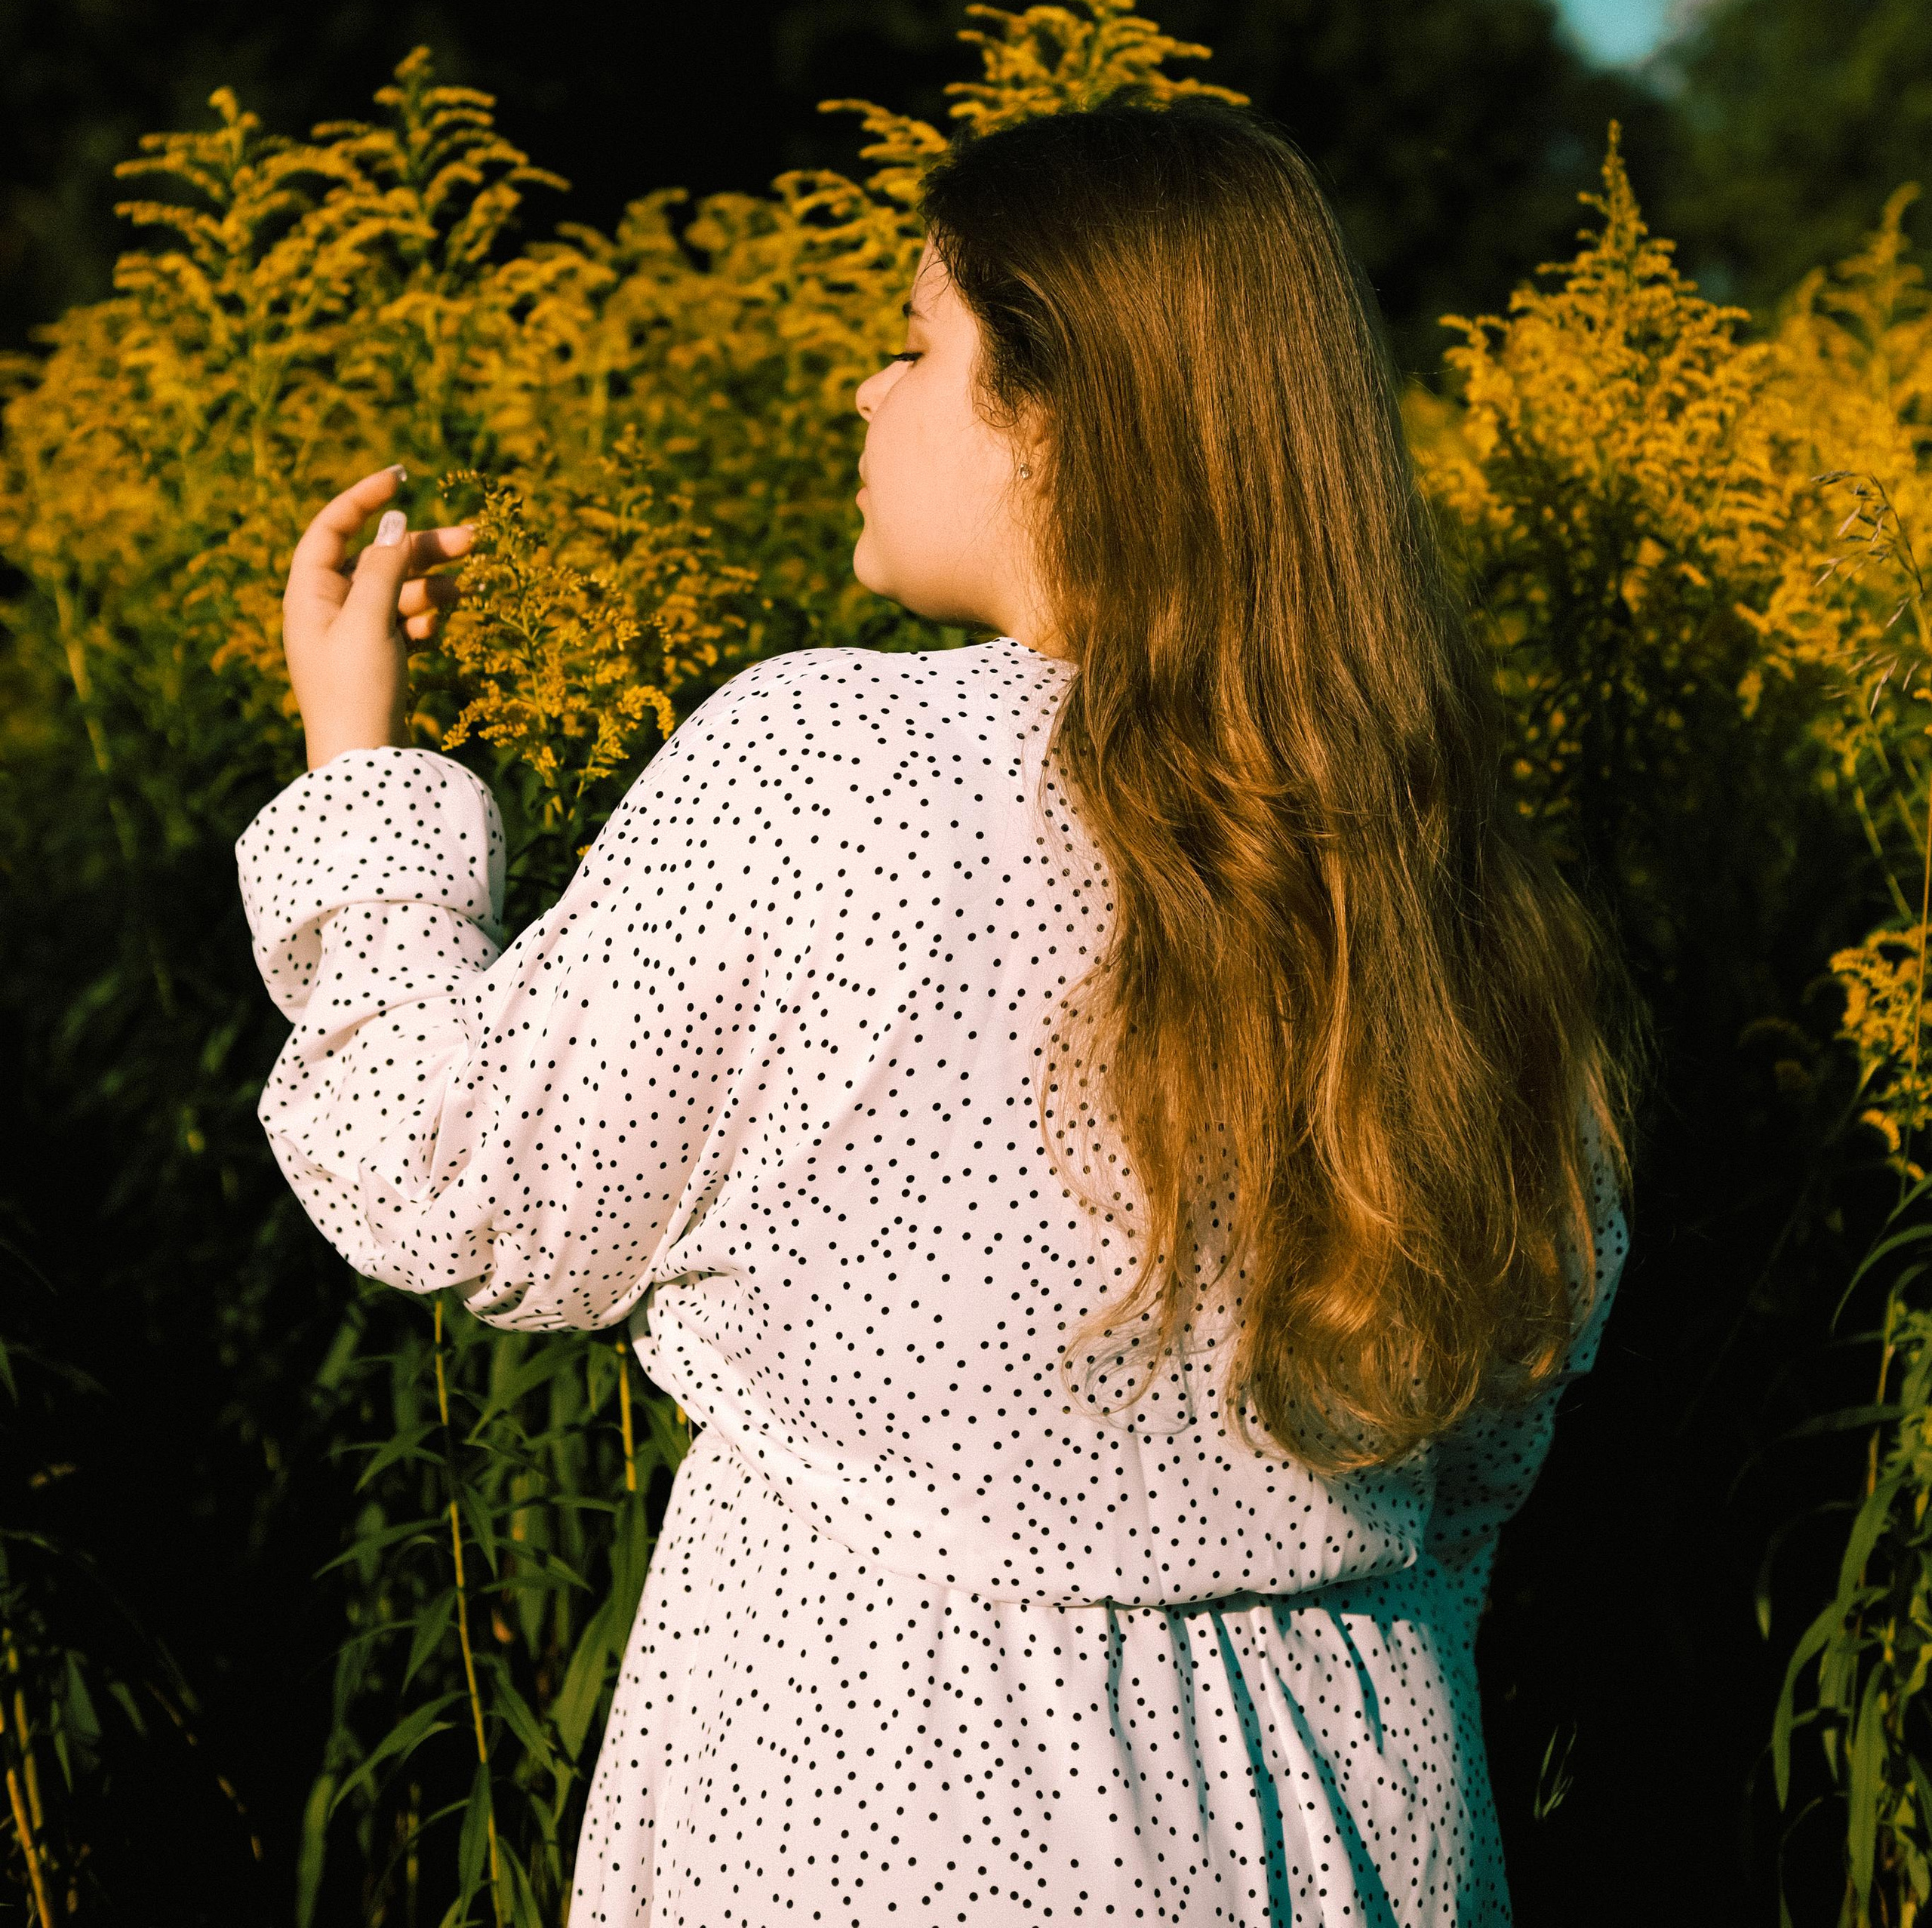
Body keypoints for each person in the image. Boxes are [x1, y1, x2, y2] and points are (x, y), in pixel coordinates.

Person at [240, 99, 1637, 1926]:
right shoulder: (1428, 857)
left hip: (883, 1785)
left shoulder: (833, 766)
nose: (863, 396)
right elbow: (1492, 1425)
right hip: (1348, 1788)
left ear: (1056, 417)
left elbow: (446, 1173)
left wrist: (363, 771)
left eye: (916, 349)